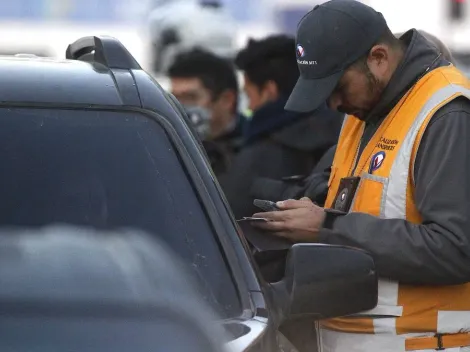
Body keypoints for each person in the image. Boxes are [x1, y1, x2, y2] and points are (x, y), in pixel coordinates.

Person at [252, 1, 470, 351]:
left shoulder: (445, 114)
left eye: (338, 87)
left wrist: (328, 226)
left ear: (379, 58)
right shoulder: (364, 110)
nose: (333, 104)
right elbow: (359, 203)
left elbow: (457, 249)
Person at [219, 35, 342, 220]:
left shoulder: (258, 157)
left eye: (249, 95)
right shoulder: (345, 137)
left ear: (269, 91)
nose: (249, 107)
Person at [168, 48, 246, 174]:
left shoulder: (257, 153)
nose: (179, 106)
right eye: (174, 98)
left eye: (190, 98)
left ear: (227, 100)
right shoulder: (167, 146)